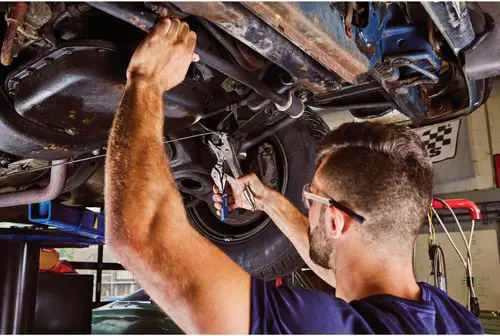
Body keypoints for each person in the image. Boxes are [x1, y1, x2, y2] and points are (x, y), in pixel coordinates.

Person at [105, 18, 483, 334]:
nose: (306, 199)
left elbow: (143, 236)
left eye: (311, 195)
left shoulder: (319, 326)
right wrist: (268, 200)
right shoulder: (450, 320)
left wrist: (146, 82)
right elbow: (340, 267)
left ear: (336, 220)